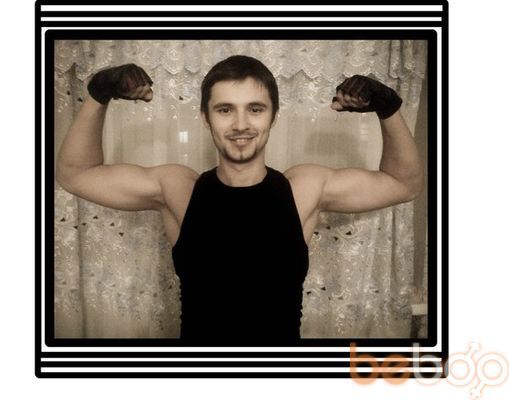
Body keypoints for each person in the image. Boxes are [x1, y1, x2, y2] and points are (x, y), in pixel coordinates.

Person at [56, 55, 423, 344]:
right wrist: (98, 94)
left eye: (255, 109)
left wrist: (388, 108)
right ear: (205, 117)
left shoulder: (302, 189)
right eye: (225, 109)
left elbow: (403, 184)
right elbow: (75, 174)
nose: (241, 124)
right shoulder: (180, 189)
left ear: (273, 116)